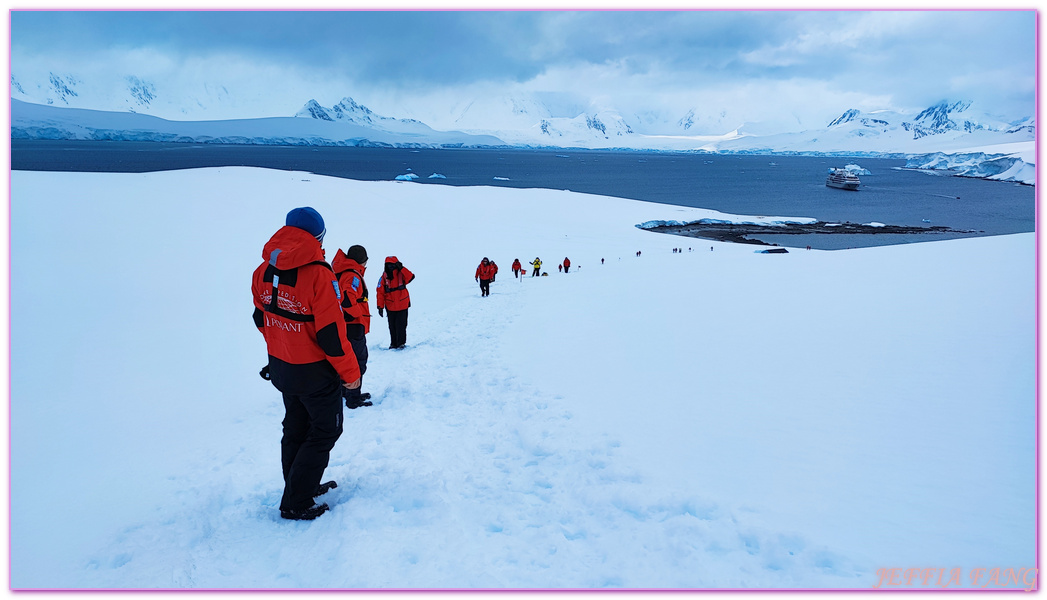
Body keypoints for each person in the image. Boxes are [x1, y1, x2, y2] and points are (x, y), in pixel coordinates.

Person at [252, 207, 361, 521]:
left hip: (284, 367)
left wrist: (283, 348)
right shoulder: (319, 275)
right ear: (318, 238)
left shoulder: (262, 271)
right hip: (314, 372)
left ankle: (300, 486)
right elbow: (332, 337)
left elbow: (262, 319)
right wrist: (351, 376)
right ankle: (297, 500)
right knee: (326, 430)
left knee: (296, 428)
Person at [332, 244, 373, 409]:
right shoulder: (353, 276)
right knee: (358, 361)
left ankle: (345, 392)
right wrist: (356, 314)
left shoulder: (341, 272)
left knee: (347, 359)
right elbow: (348, 298)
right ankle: (353, 398)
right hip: (353, 325)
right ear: (362, 261)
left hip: (343, 324)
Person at [376, 256, 415, 349]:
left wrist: (402, 268)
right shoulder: (384, 277)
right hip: (391, 306)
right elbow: (380, 291)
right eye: (388, 265)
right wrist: (379, 306)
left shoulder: (402, 273)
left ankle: (400, 343)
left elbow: (411, 277)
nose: (390, 267)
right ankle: (394, 343)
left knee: (401, 325)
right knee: (393, 326)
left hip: (401, 304)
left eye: (392, 265)